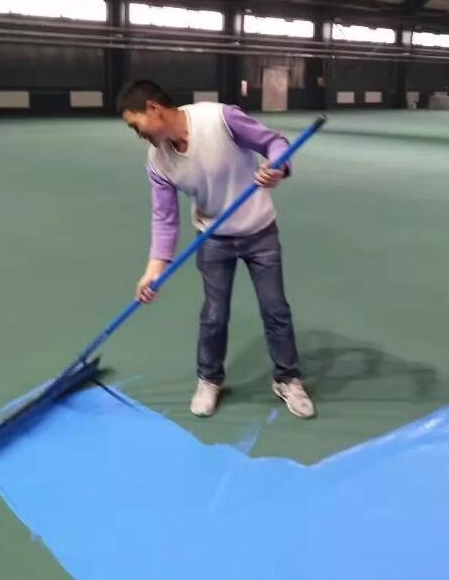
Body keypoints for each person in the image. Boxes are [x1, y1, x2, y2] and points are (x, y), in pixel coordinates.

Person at [117, 80, 315, 419]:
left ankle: (287, 379)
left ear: (153, 109)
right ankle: (209, 379)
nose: (138, 135)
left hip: (260, 231)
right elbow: (164, 219)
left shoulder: (220, 119)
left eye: (136, 126)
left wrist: (277, 167)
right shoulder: (158, 161)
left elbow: (274, 143)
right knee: (214, 315)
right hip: (212, 238)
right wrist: (153, 271)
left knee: (275, 309)